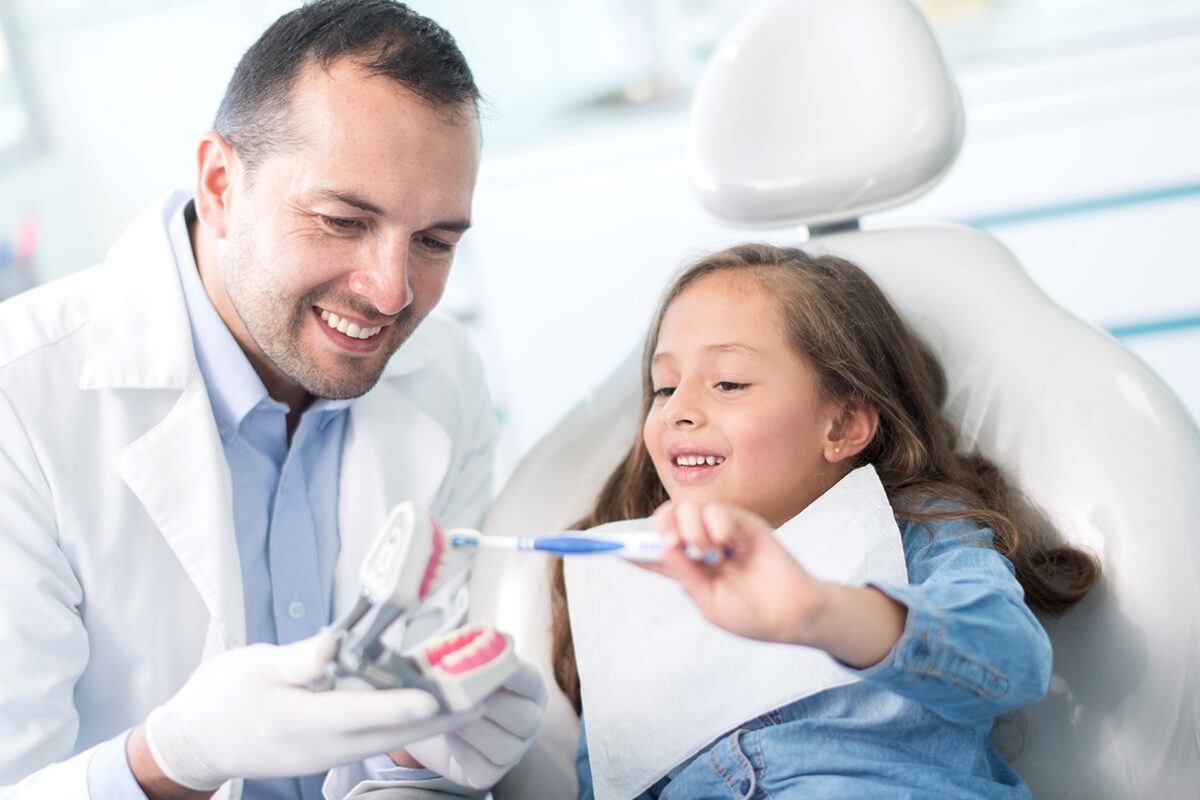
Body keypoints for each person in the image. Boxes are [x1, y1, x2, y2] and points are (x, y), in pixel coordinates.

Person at [0, 2, 546, 799]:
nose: (391, 292)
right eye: (341, 220)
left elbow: (408, 715)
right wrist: (170, 757)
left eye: (434, 242)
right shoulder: (20, 398)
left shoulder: (443, 375)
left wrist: (416, 759)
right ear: (221, 184)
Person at [549, 243, 1100, 798]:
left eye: (729, 382)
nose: (675, 410)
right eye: (664, 387)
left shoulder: (916, 528)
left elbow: (1012, 662)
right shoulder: (631, 588)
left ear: (841, 426)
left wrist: (820, 611)